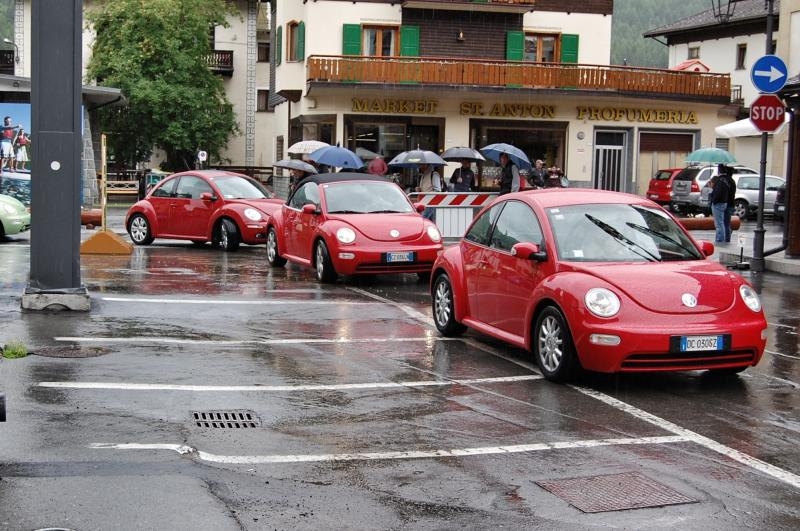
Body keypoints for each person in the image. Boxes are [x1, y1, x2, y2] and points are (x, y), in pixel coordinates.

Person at [708, 169, 732, 244]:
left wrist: (712, 196)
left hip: (718, 204)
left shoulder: (719, 184)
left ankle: (720, 239)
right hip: (723, 203)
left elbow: (716, 196)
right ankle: (721, 238)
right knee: (721, 223)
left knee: (719, 224)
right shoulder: (723, 182)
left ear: (713, 182)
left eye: (711, 183)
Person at [721, 165, 737, 243]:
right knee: (726, 222)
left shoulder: (726, 181)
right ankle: (727, 235)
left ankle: (727, 239)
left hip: (727, 204)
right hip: (731, 204)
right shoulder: (732, 181)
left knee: (725, 223)